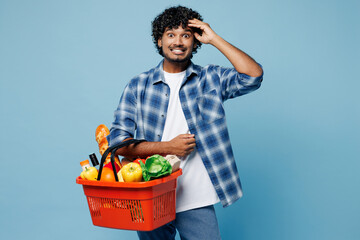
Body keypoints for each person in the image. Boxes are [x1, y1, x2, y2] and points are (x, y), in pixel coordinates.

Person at [107, 5, 263, 240]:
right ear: (159, 41)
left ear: (195, 42)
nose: (178, 41)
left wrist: (215, 39)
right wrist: (168, 147)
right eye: (170, 34)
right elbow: (118, 144)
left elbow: (253, 76)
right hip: (151, 195)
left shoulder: (211, 78)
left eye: (186, 35)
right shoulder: (137, 85)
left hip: (196, 197)